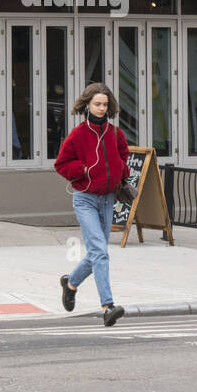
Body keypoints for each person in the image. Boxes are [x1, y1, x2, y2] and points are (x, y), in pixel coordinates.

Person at [54, 82, 129, 327]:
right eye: (97, 104)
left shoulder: (115, 133)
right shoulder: (77, 135)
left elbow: (123, 156)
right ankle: (107, 306)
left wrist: (121, 172)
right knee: (100, 252)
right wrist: (83, 169)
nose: (101, 108)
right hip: (85, 199)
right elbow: (61, 164)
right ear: (87, 104)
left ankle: (71, 283)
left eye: (105, 105)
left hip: (108, 199)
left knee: (98, 252)